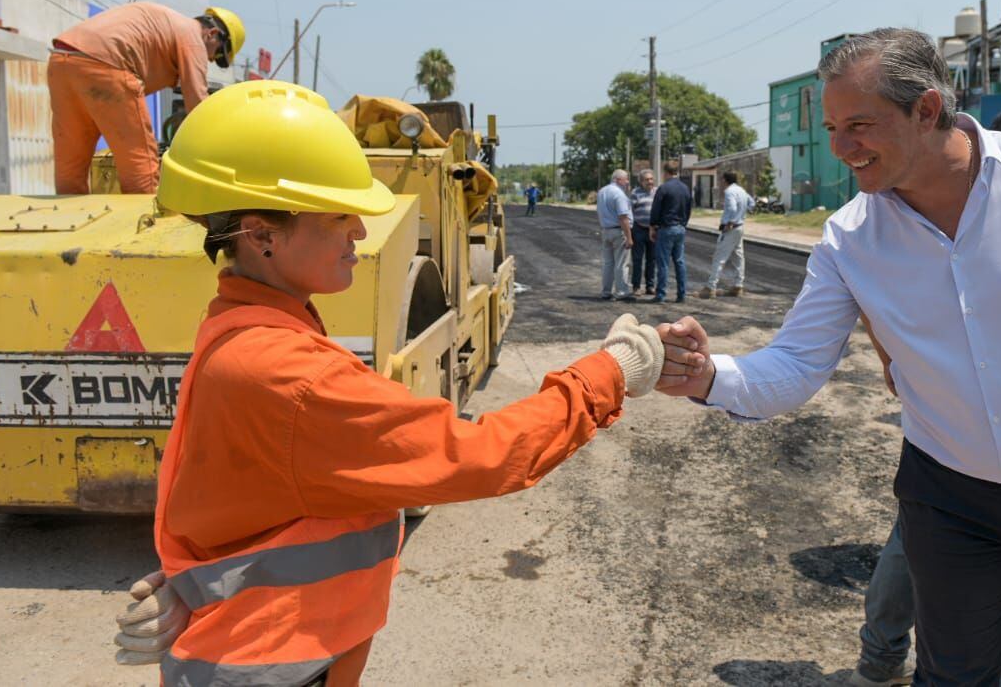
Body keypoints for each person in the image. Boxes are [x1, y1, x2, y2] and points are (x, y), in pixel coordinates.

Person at [656, 28, 1001, 685]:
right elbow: (796, 363)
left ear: (927, 109)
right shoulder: (851, 238)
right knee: (950, 675)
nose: (840, 148)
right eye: (830, 127)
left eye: (859, 124)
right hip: (951, 499)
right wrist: (711, 375)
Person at [109, 80, 665, 684]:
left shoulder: (236, 331)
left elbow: (228, 498)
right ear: (261, 235)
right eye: (337, 214)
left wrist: (190, 586)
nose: (358, 231)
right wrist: (610, 373)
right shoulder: (292, 374)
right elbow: (483, 454)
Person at [851, 103, 1001, 687]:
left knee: (910, 541)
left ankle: (878, 662)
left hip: (948, 434)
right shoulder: (997, 210)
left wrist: (897, 360)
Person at [47, 2, 245, 195]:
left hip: (62, 59)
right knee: (140, 167)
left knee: (70, 163)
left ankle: (69, 215)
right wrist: (219, 149)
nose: (210, 59)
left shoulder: (168, 24)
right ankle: (146, 221)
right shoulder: (193, 37)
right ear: (213, 34)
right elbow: (196, 102)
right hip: (106, 65)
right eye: (217, 54)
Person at [699, 171, 753, 299]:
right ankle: (738, 285)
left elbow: (732, 208)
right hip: (740, 227)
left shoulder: (729, 192)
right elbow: (752, 203)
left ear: (725, 180)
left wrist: (730, 221)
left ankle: (711, 287)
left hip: (731, 228)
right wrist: (742, 215)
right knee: (738, 257)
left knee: (719, 257)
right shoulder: (742, 190)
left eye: (721, 180)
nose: (720, 182)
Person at [649, 162, 692, 304]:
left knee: (663, 263)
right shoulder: (685, 188)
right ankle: (681, 294)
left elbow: (656, 209)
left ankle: (661, 294)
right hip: (680, 228)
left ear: (665, 172)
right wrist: (684, 223)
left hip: (666, 228)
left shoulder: (663, 188)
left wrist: (653, 226)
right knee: (680, 261)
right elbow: (688, 208)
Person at [597, 169, 635, 301]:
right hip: (619, 231)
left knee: (608, 263)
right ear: (618, 179)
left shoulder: (602, 192)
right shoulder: (619, 195)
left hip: (606, 230)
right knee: (621, 263)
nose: (627, 182)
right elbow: (623, 217)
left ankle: (606, 291)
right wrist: (629, 237)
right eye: (626, 179)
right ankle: (621, 292)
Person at [630, 169, 657, 295]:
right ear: (641, 182)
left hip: (654, 230)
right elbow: (630, 211)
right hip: (639, 229)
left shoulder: (657, 192)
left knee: (652, 259)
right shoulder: (635, 193)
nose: (650, 182)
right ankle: (636, 286)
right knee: (637, 259)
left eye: (651, 179)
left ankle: (650, 286)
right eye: (647, 180)